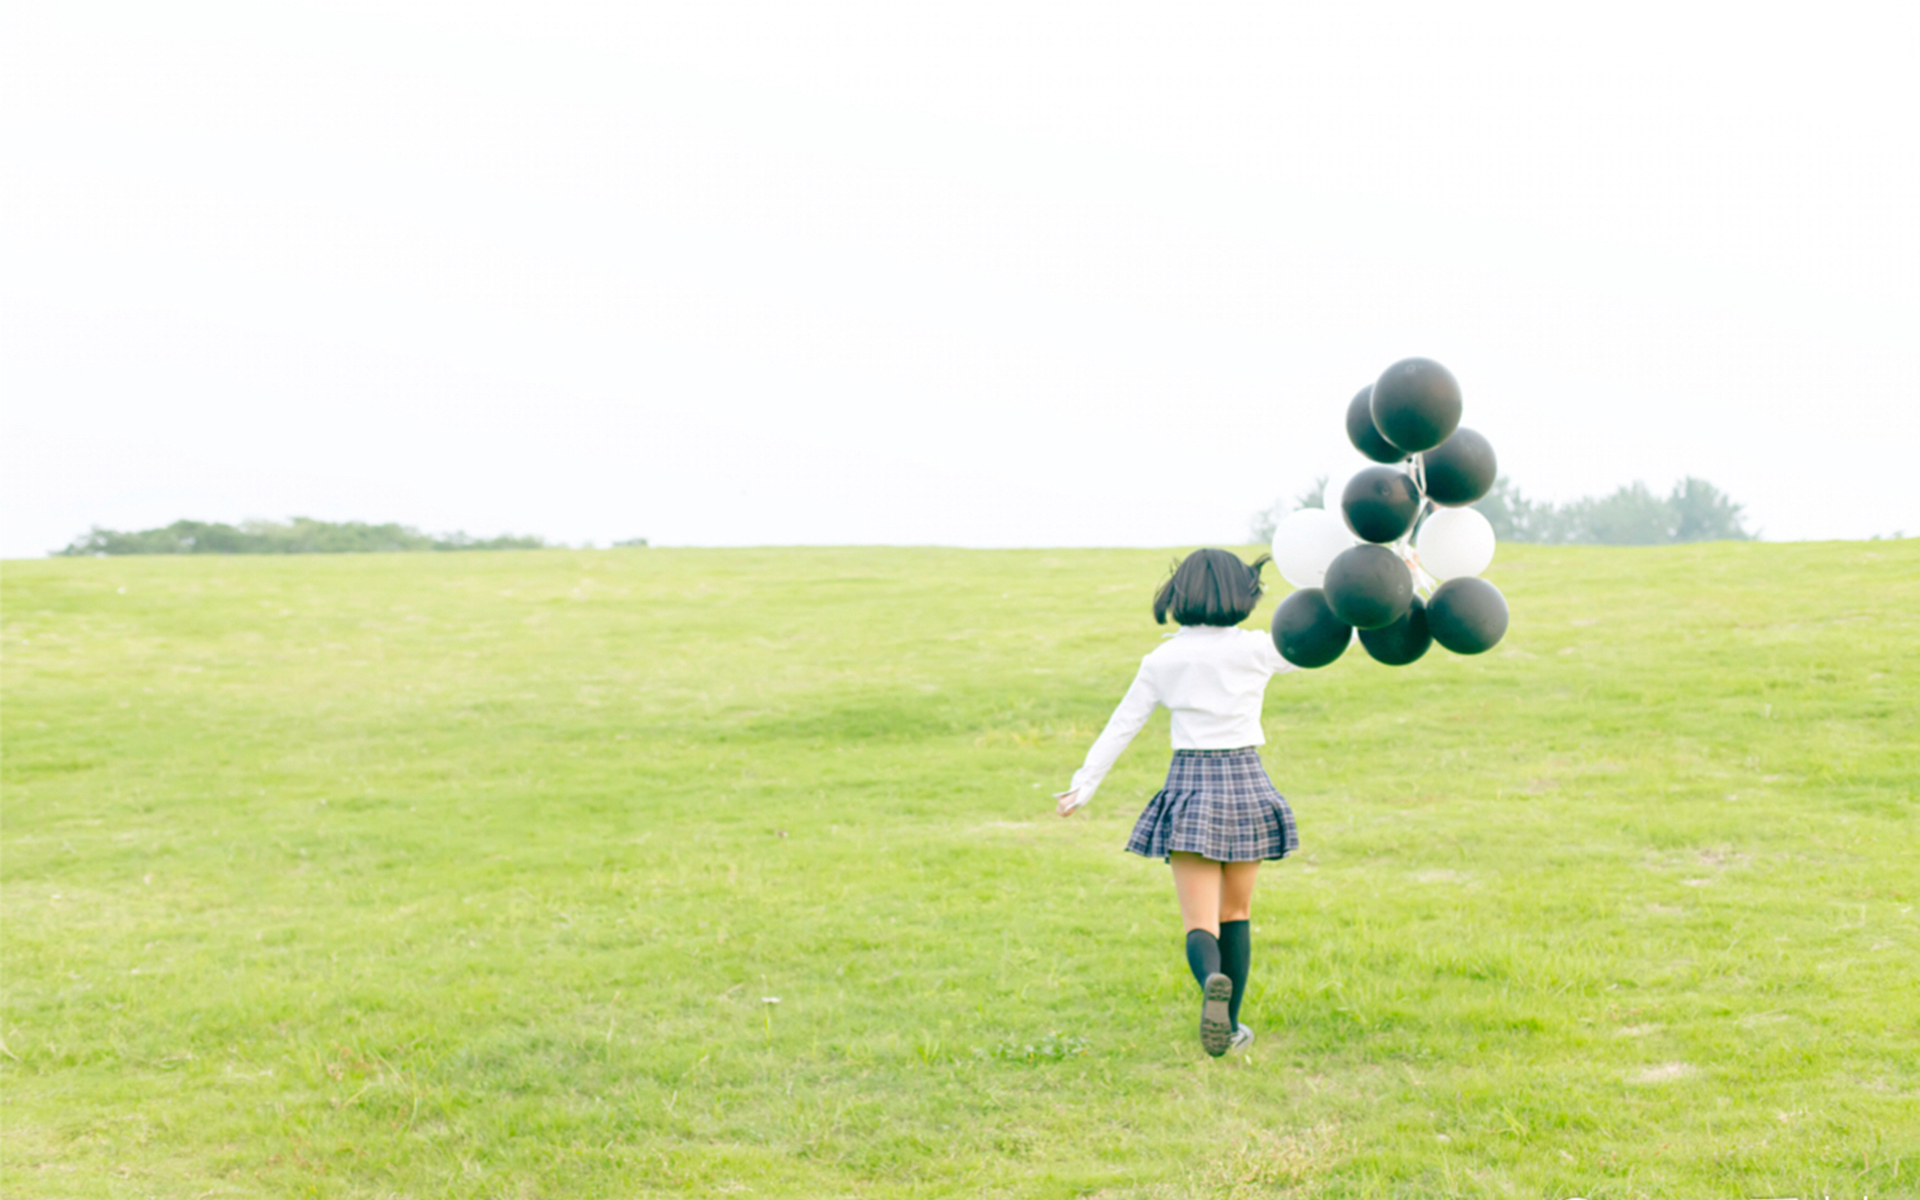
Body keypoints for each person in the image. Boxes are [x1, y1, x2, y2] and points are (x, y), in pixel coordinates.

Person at [1054, 548, 1299, 1057]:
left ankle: (1211, 979)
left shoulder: (1162, 659)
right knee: (1237, 910)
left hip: (1191, 785)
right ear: (1243, 595)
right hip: (1246, 781)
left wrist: (1084, 783)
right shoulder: (1257, 648)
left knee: (1199, 921)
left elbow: (1123, 724)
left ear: (1178, 592)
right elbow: (1319, 639)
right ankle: (1228, 1029)